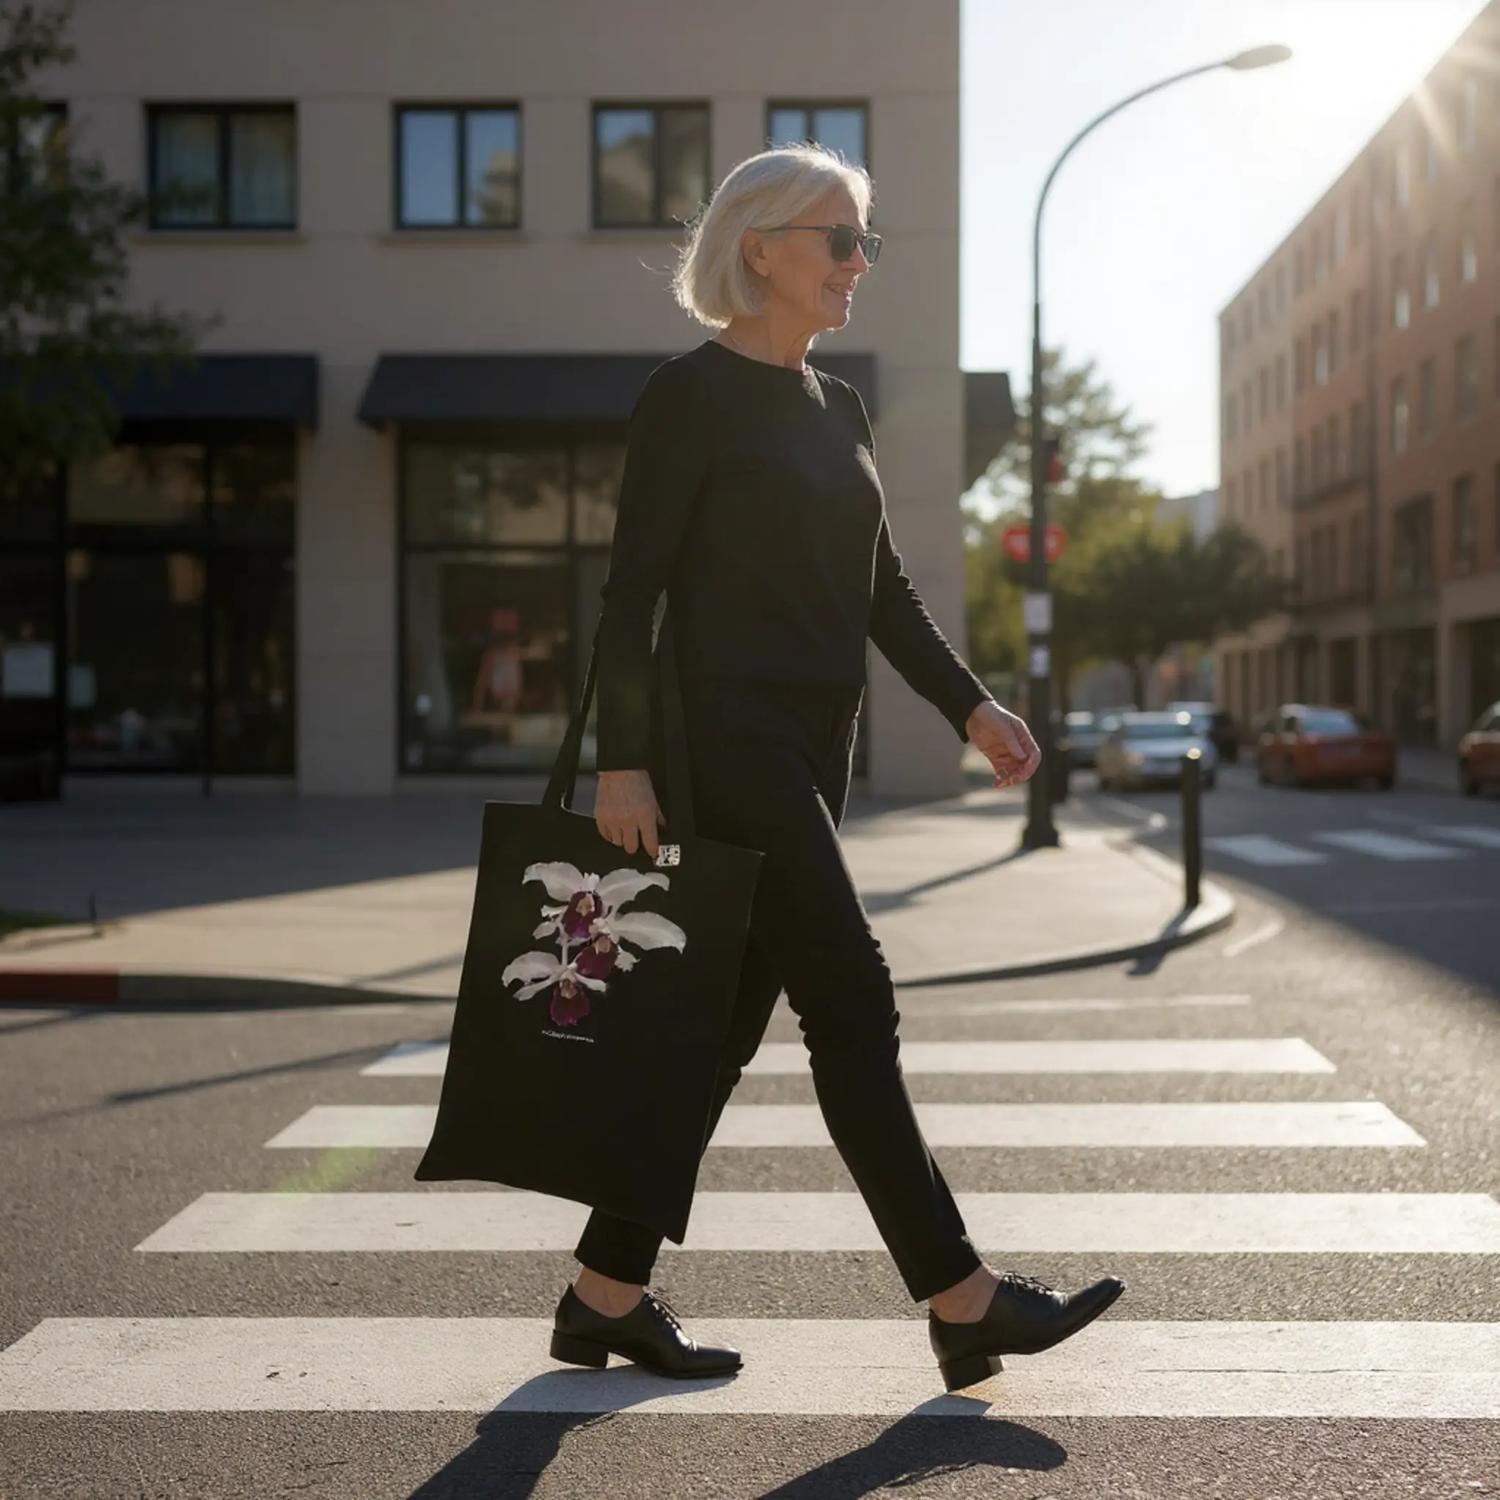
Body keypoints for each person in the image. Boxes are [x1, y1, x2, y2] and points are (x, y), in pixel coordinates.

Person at [553, 142, 1125, 1394]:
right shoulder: (687, 398)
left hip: (815, 749)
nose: (860, 264)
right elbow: (632, 594)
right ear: (760, 249)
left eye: (867, 240)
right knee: (854, 1003)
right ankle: (960, 1296)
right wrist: (624, 766)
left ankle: (604, 1295)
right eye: (840, 240)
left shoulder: (841, 407)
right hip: (725, 741)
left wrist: (972, 706)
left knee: (719, 1033)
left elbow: (883, 591)